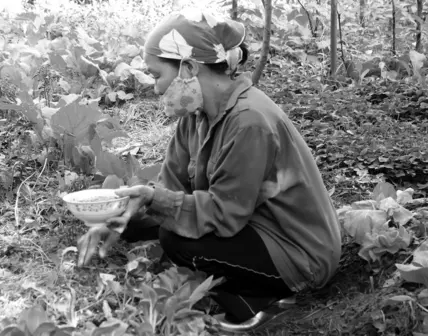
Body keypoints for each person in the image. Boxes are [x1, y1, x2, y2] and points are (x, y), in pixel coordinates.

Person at [75, 8, 342, 333]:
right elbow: (170, 190)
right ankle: (246, 288)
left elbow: (223, 215)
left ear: (188, 67)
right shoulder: (195, 117)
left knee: (176, 239)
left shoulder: (249, 122)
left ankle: (258, 305)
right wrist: (116, 220)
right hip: (255, 222)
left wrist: (156, 202)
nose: (156, 89)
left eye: (158, 75)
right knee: (141, 221)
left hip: (297, 250)